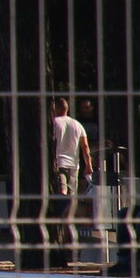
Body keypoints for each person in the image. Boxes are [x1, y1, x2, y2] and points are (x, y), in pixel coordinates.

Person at [47, 97, 92, 263]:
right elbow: (85, 147)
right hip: (74, 166)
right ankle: (71, 242)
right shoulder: (77, 124)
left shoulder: (53, 123)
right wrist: (88, 165)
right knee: (70, 204)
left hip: (58, 165)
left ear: (58, 108)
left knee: (62, 196)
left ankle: (62, 239)